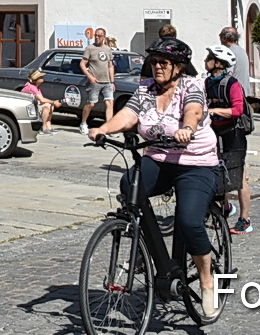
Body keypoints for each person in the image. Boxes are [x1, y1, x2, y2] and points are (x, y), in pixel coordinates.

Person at [89, 39, 221, 322]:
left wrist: (187, 128)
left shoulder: (191, 86)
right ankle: (151, 251)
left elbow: (194, 111)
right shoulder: (146, 89)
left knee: (188, 220)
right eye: (154, 62)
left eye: (163, 62)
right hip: (160, 159)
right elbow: (128, 115)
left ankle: (207, 279)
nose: (157, 66)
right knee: (130, 185)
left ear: (178, 67)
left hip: (195, 164)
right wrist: (103, 128)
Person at [204, 46, 252, 235]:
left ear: (218, 63)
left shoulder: (232, 84)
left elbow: (237, 110)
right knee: (218, 172)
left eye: (209, 58)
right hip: (215, 132)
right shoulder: (207, 82)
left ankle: (245, 220)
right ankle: (224, 210)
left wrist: (215, 111)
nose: (205, 60)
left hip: (233, 133)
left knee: (238, 178)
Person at [80, 27, 116, 129]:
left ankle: (109, 127)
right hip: (95, 81)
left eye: (99, 36)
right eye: (95, 35)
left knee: (109, 102)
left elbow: (110, 66)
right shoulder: (90, 48)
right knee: (91, 104)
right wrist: (89, 76)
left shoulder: (107, 49)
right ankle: (83, 123)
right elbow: (82, 64)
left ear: (104, 37)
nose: (97, 37)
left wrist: (112, 81)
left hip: (107, 82)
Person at [218, 25, 250, 102]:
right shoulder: (242, 50)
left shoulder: (228, 52)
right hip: (244, 92)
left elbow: (229, 74)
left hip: (234, 94)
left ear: (224, 38)